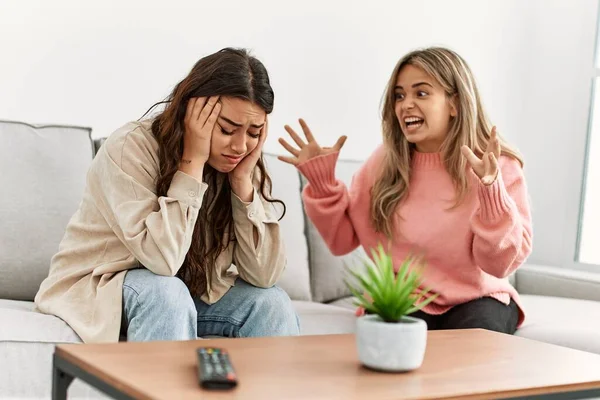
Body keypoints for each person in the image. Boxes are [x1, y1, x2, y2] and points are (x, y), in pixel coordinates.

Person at [35, 47, 300, 343]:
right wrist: (192, 163)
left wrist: (242, 184)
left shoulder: (240, 165)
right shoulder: (129, 147)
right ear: (193, 114)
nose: (240, 146)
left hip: (186, 293)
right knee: (167, 293)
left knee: (272, 304)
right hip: (107, 287)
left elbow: (265, 276)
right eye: (227, 129)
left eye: (253, 133)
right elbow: (162, 261)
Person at [278, 47, 532, 334]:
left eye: (421, 93)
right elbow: (342, 240)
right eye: (400, 95)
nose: (405, 105)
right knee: (390, 346)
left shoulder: (497, 166)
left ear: (454, 104)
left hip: (479, 298)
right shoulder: (384, 163)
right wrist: (323, 183)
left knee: (474, 350)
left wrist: (490, 190)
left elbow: (499, 265)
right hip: (405, 298)